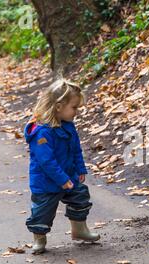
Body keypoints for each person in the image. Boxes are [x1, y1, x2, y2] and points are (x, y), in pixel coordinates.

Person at [24, 79, 100, 254]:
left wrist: (80, 169)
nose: (77, 112)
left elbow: (75, 150)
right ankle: (39, 239)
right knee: (42, 212)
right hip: (46, 183)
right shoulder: (42, 132)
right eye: (74, 107)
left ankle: (79, 229)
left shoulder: (68, 126)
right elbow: (46, 162)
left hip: (69, 176)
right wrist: (62, 179)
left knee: (80, 197)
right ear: (58, 107)